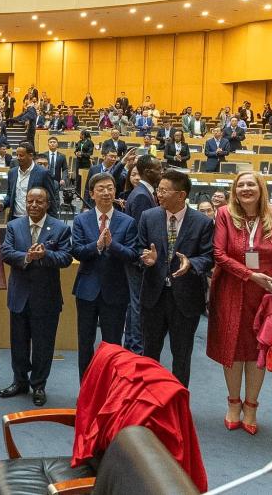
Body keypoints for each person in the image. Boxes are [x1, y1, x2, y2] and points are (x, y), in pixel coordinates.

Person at [209, 172, 272, 435]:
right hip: (232, 291)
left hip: (266, 295)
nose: (246, 188)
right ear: (234, 191)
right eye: (241, 185)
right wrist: (250, 275)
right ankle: (233, 403)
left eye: (251, 184)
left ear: (261, 189)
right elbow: (219, 254)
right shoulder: (225, 214)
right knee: (233, 348)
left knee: (259, 349)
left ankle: (251, 406)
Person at [137, 169, 215, 387]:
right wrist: (146, 258)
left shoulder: (202, 222)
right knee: (149, 353)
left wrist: (192, 263)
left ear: (181, 195)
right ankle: (147, 397)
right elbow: (138, 248)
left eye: (164, 191)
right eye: (158, 189)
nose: (158, 194)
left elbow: (208, 257)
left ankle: (177, 400)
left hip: (186, 299)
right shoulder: (148, 217)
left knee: (181, 355)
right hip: (154, 296)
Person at [0, 187, 72, 406]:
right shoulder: (14, 226)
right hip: (19, 296)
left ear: (47, 204)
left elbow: (66, 257)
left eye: (39, 202)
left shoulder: (60, 228)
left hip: (46, 298)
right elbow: (5, 252)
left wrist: (45, 255)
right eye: (30, 201)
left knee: (43, 345)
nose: (33, 205)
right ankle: (19, 381)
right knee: (18, 344)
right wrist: (28, 257)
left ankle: (38, 385)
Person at [71, 173, 138, 379]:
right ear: (92, 194)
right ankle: (85, 387)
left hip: (115, 291)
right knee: (85, 342)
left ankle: (110, 387)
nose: (106, 192)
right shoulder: (81, 220)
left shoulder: (127, 222)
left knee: (113, 344)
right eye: (101, 189)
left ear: (115, 192)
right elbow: (77, 251)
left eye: (110, 188)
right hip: (87, 290)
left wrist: (112, 245)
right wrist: (97, 245)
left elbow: (132, 255)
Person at [124, 155, 160, 354]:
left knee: (134, 304)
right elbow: (141, 232)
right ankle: (137, 349)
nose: (161, 173)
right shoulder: (141, 196)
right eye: (158, 169)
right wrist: (142, 259)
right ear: (148, 171)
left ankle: (131, 345)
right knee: (138, 304)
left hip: (139, 258)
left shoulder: (144, 192)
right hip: (139, 260)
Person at [0, 143, 56, 220]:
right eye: (17, 155)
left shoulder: (43, 173)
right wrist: (3, 204)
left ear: (30, 156)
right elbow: (10, 194)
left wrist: (53, 222)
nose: (18, 158)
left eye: (21, 155)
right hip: (15, 218)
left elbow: (51, 199)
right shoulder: (12, 172)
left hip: (35, 218)